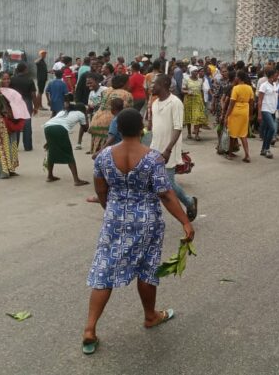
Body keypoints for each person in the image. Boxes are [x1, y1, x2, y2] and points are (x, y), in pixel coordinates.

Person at [82, 108, 195, 355]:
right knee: (147, 268)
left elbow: (101, 190)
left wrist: (111, 210)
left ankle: (90, 329)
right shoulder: (152, 158)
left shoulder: (103, 157)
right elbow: (165, 194)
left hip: (114, 220)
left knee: (105, 269)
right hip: (146, 222)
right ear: (142, 129)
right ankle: (150, 316)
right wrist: (185, 222)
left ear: (119, 130)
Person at [149, 74, 198, 220]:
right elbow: (154, 127)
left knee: (168, 183)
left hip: (168, 151)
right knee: (154, 182)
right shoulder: (154, 103)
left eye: (155, 84)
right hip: (154, 148)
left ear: (164, 84)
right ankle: (153, 213)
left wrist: (168, 149)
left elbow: (178, 128)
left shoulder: (175, 103)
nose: (152, 86)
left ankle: (190, 202)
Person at [43, 96, 89, 186]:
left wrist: (49, 141)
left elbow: (54, 122)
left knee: (51, 152)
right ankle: (76, 180)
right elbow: (86, 128)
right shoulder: (81, 114)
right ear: (83, 109)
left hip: (48, 127)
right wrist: (86, 116)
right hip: (60, 129)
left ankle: (50, 176)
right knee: (69, 154)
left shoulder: (63, 112)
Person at [0, 72, 28, 179]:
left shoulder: (11, 92)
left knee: (12, 143)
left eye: (8, 79)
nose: (7, 81)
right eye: (4, 79)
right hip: (2, 121)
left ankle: (11, 169)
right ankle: (2, 171)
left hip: (12, 120)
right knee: (2, 144)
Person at [89, 74, 133, 156]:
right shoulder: (126, 94)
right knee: (112, 148)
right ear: (124, 83)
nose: (130, 84)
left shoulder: (107, 90)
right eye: (128, 82)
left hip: (97, 120)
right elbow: (127, 112)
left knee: (101, 148)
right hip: (110, 122)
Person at [225, 70, 255, 163]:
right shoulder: (249, 88)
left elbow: (231, 103)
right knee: (243, 134)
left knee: (232, 134)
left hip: (236, 111)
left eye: (236, 76)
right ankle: (247, 155)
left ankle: (229, 154)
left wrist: (226, 116)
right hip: (245, 111)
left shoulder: (236, 88)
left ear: (239, 78)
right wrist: (250, 114)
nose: (235, 78)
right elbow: (252, 102)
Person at [10, 62, 38, 152]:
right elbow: (33, 95)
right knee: (27, 124)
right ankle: (28, 146)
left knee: (16, 123)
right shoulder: (29, 80)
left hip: (16, 103)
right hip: (27, 102)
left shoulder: (12, 80)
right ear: (25, 69)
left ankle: (15, 146)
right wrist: (36, 107)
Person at [257, 68, 278, 159]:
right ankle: (267, 149)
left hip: (272, 110)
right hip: (265, 109)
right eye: (275, 75)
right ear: (272, 76)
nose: (277, 76)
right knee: (272, 129)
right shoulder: (263, 86)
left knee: (267, 131)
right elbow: (260, 100)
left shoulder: (274, 85)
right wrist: (259, 113)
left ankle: (263, 149)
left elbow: (275, 95)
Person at [182, 67, 206, 141]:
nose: (196, 72)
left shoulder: (200, 80)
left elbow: (201, 91)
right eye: (195, 71)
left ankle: (196, 134)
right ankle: (189, 133)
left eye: (197, 71)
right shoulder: (186, 79)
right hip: (189, 100)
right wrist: (187, 92)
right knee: (189, 117)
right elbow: (182, 89)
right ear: (191, 72)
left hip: (198, 101)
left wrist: (203, 100)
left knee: (197, 117)